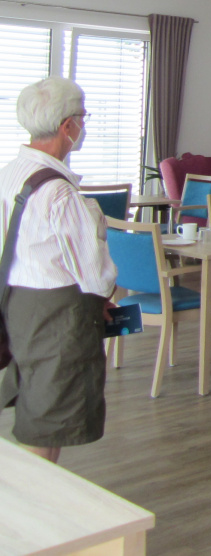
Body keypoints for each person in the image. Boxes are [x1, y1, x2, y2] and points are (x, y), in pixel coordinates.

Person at [0, 78, 117, 464]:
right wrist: (104, 297)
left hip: (18, 303)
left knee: (37, 400)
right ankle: (34, 496)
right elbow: (95, 274)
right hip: (58, 314)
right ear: (68, 126)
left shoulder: (10, 172)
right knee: (49, 415)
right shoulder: (60, 192)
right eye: (83, 117)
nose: (83, 125)